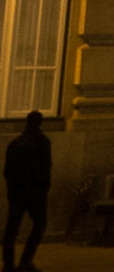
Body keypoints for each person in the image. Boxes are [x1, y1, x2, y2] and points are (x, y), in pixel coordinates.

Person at [3, 110, 49, 272]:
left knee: (12, 228)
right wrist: (43, 191)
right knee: (40, 223)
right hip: (34, 192)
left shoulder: (15, 143)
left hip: (17, 192)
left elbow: (7, 171)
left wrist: (12, 190)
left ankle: (9, 264)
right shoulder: (42, 142)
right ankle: (25, 261)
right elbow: (45, 169)